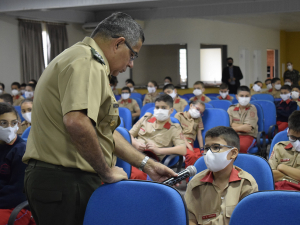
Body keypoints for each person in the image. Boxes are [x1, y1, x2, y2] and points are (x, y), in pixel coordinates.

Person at [22, 12, 177, 225]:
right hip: (66, 181)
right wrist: (106, 171)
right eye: (133, 55)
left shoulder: (81, 57)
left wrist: (146, 164)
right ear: (118, 44)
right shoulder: (88, 63)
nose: (131, 64)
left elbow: (103, 132)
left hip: (62, 180)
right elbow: (77, 122)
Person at [185, 126, 258, 225]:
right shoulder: (195, 184)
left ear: (233, 153)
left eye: (216, 147)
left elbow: (248, 220)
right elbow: (190, 220)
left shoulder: (246, 184)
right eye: (207, 148)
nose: (209, 153)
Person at [129, 94, 186, 180]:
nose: (159, 110)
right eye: (157, 107)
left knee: (135, 175)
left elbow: (182, 149)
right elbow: (129, 134)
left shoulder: (174, 128)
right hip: (130, 152)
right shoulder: (146, 118)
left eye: (163, 108)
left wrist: (159, 150)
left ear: (171, 110)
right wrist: (135, 143)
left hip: (149, 161)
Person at [0, 103, 35, 225]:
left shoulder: (20, 151)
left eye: (14, 123)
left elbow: (18, 193)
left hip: (17, 207)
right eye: (3, 123)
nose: (9, 127)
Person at [269, 111, 300, 191]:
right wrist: (295, 175)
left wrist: (282, 167)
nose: (297, 143)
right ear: (288, 131)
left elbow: (276, 174)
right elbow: (270, 175)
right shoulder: (279, 147)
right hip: (276, 191)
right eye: (293, 137)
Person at [227, 86, 258, 153]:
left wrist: (233, 125)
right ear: (237, 96)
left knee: (240, 147)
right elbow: (227, 127)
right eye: (241, 96)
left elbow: (248, 128)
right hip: (232, 135)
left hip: (248, 136)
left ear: (250, 97)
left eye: (246, 96)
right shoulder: (231, 109)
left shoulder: (252, 108)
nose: (244, 98)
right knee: (224, 147)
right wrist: (242, 126)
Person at [175, 100, 205, 168]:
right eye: (197, 109)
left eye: (201, 112)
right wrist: (188, 145)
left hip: (191, 144)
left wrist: (202, 149)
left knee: (203, 156)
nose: (198, 112)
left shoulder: (198, 119)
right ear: (191, 105)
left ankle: (197, 176)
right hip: (180, 143)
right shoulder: (179, 116)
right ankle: (190, 177)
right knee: (191, 156)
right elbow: (178, 133)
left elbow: (199, 135)